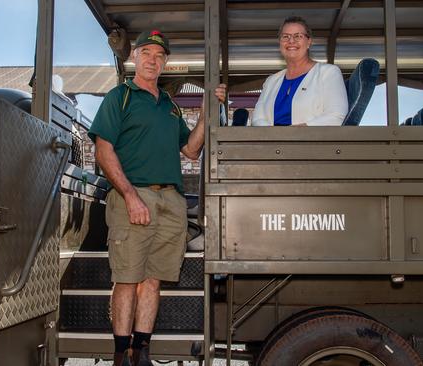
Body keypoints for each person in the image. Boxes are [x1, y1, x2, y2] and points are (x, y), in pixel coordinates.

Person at [88, 29, 225, 366]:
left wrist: (208, 109)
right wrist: (131, 196)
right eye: (146, 52)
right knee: (127, 279)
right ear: (135, 57)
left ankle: (141, 352)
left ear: (165, 63)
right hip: (133, 197)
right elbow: (103, 151)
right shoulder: (120, 97)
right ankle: (121, 354)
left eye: (159, 55)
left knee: (152, 280)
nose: (152, 59)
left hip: (171, 202)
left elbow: (192, 151)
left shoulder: (170, 106)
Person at [252, 16, 348, 126]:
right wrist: (275, 136)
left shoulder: (329, 73)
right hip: (273, 141)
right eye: (285, 37)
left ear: (309, 42)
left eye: (298, 36)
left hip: (310, 141)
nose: (291, 41)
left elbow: (336, 116)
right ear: (280, 43)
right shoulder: (271, 81)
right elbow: (257, 119)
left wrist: (299, 131)